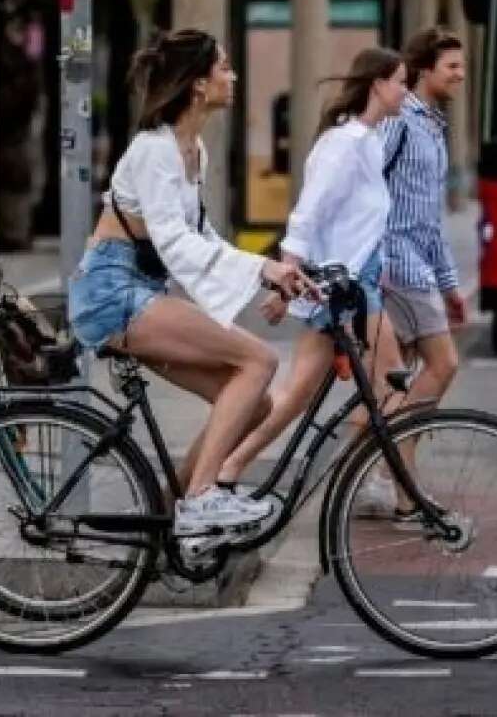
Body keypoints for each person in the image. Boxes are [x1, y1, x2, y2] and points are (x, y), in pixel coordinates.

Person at [66, 29, 316, 538]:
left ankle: (167, 515)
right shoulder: (153, 150)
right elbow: (175, 242)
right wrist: (259, 268)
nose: (233, 76)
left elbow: (203, 236)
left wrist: (268, 272)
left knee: (253, 400)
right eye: (224, 68)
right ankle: (200, 499)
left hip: (140, 290)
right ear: (199, 85)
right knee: (260, 361)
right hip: (112, 291)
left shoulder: (192, 149)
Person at [219, 49, 409, 510]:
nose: (405, 90)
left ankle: (227, 470)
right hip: (343, 288)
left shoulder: (368, 141)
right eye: (401, 81)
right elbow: (307, 216)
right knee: (395, 388)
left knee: (296, 396)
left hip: (348, 285)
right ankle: (401, 496)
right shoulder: (343, 145)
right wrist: (287, 280)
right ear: (378, 85)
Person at [378, 28, 470, 416]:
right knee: (443, 364)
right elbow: (364, 184)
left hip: (416, 266)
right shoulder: (399, 121)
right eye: (451, 66)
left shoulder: (432, 127)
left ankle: (375, 471)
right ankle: (395, 457)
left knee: (389, 385)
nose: (460, 74)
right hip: (398, 267)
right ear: (425, 70)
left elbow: (430, 221)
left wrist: (450, 285)